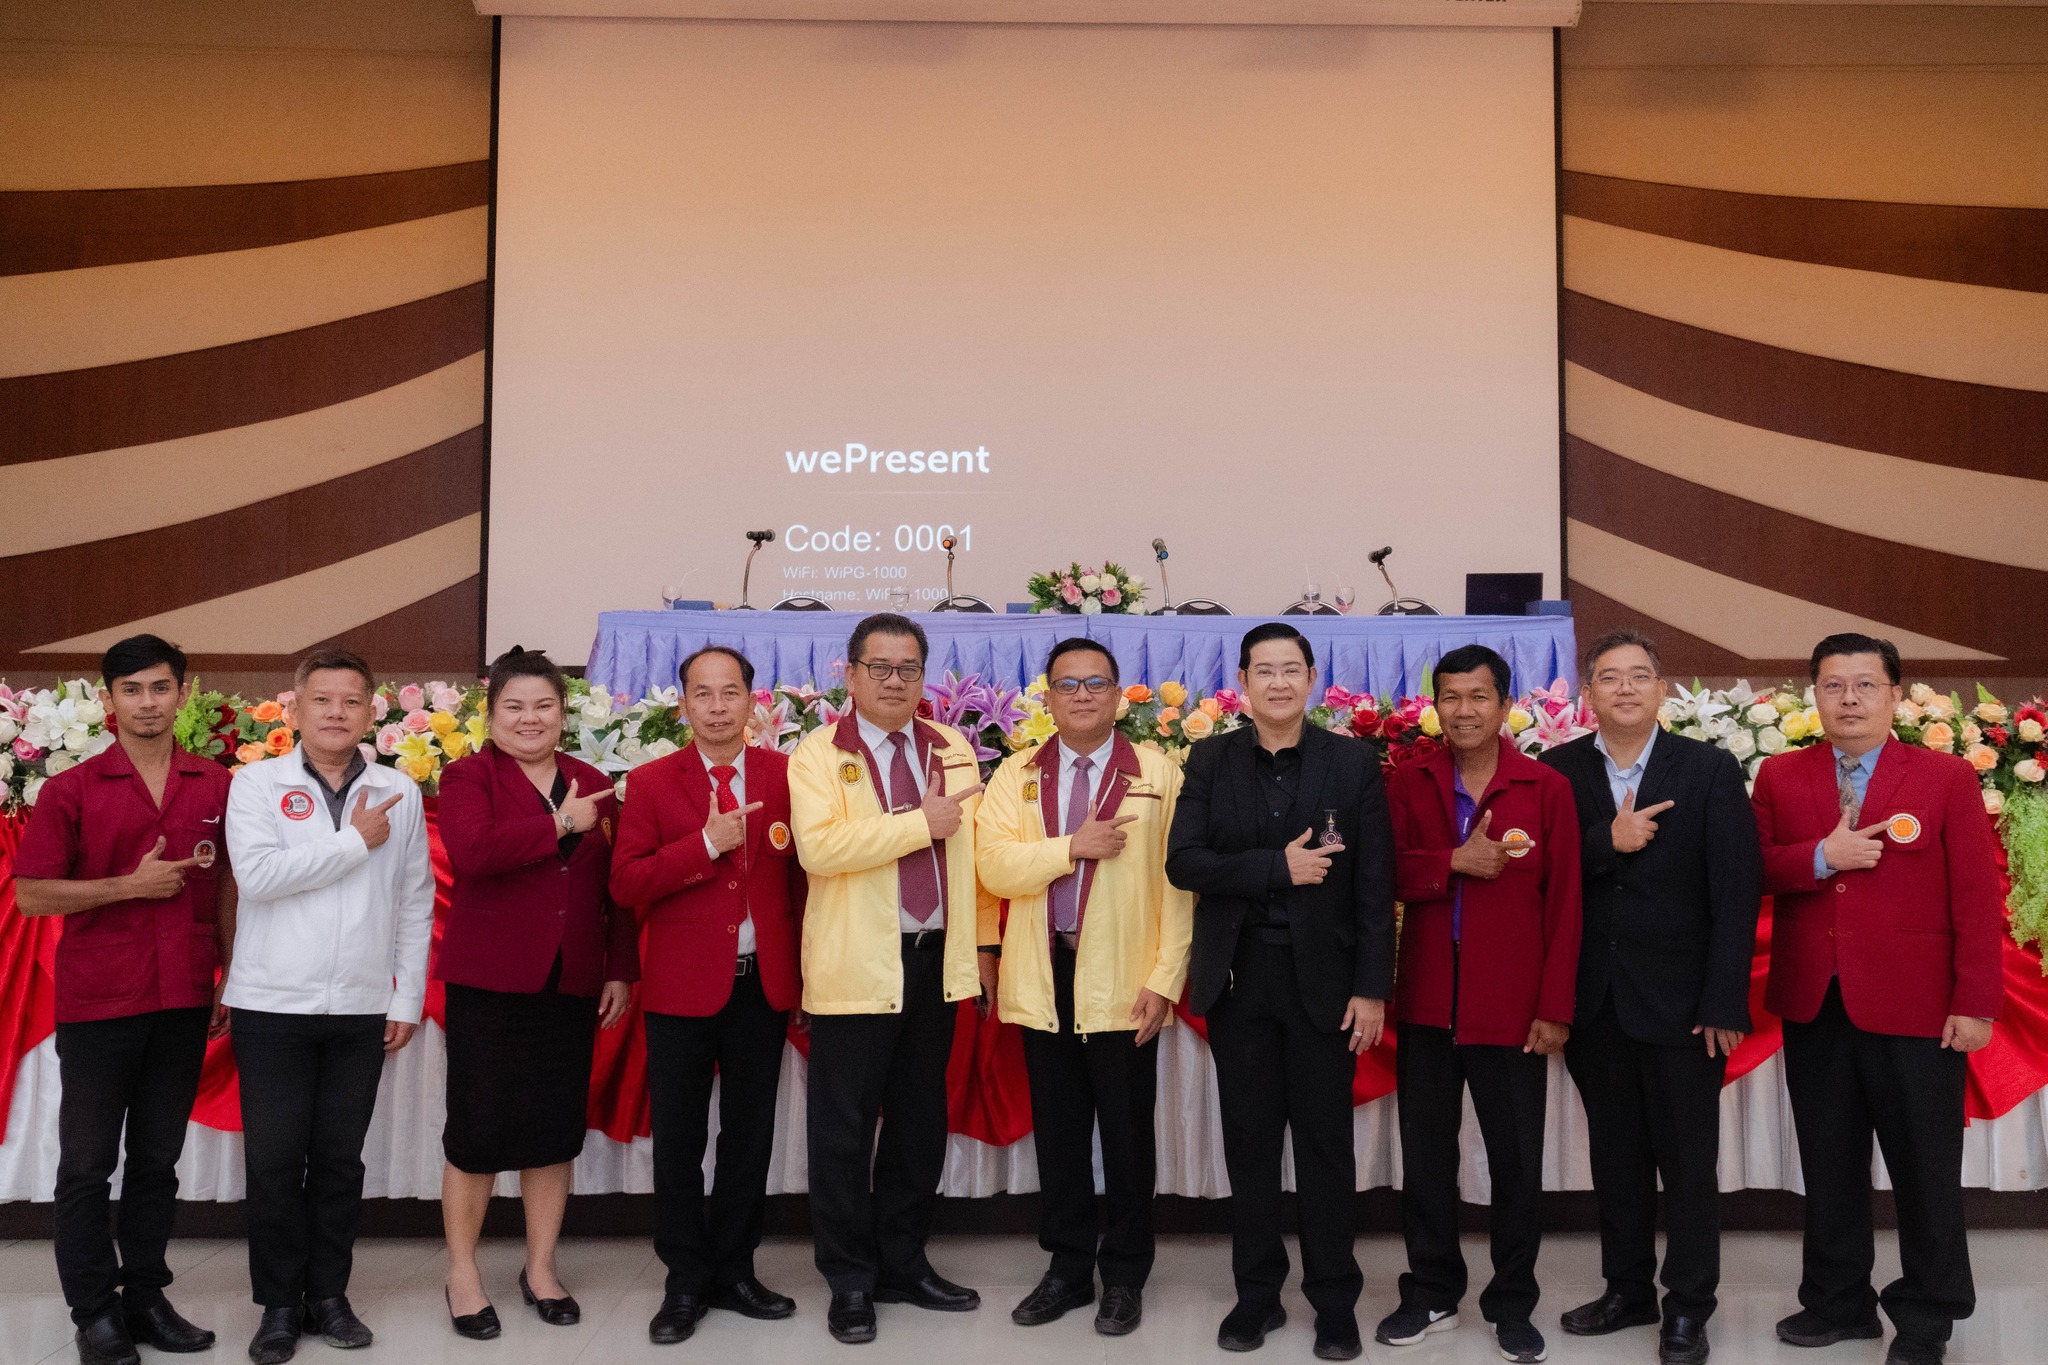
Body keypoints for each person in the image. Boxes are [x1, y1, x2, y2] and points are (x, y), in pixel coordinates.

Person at [1753, 633, 2003, 1365]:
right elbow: (1757, 866)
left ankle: (1927, 1318)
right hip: (1815, 1001)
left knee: (1925, 1169)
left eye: (1866, 684)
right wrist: (1825, 855)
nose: (1850, 698)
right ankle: (1837, 1301)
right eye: (1834, 686)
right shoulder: (1780, 775)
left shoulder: (1945, 776)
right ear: (1815, 696)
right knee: (1828, 1163)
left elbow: (1977, 901)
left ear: (1896, 694)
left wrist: (1976, 1001)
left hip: (1918, 1007)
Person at [1165, 621, 1395, 1362]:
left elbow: (1372, 885)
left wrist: (1372, 989)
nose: (1277, 682)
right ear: (1242, 680)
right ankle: (1256, 1296)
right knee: (1252, 1144)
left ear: (1312, 677)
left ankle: (1335, 1302)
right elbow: (1185, 862)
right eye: (1263, 669)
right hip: (1240, 981)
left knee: (1327, 1147)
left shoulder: (1353, 761)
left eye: (1291, 668)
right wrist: (1275, 868)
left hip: (1326, 985)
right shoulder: (1209, 758)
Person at [1539, 628, 1761, 1365]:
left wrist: (1725, 998)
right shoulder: (1556, 770)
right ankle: (1626, 1287)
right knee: (1617, 1157)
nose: (1626, 688)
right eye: (1610, 677)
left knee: (1689, 1163)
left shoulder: (1707, 768)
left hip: (1685, 1005)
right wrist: (1609, 838)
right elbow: (1545, 876)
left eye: (1640, 676)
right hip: (1594, 1000)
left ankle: (1688, 1306)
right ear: (1588, 693)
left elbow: (1737, 891)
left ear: (1662, 689)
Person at [15, 636, 235, 1365]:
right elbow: (33, 892)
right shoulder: (70, 790)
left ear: (183, 692)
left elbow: (228, 884)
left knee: (156, 1160)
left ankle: (144, 1296)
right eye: (133, 689)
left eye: (161, 687)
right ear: (109, 697)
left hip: (182, 994)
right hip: (100, 1001)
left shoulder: (215, 782)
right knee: (85, 1163)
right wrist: (126, 886)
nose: (148, 702)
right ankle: (93, 1311)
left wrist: (228, 971)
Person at [221, 649, 435, 1365]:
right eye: (322, 700)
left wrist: (403, 994)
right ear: (295, 710)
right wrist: (352, 842)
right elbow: (258, 877)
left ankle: (331, 1295)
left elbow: (414, 899)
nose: (337, 712)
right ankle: (280, 1304)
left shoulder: (396, 789)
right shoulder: (256, 784)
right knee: (277, 1161)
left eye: (352, 701)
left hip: (362, 1004)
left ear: (373, 711)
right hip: (271, 1003)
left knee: (341, 1161)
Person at [977, 638, 1195, 1337]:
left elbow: (1180, 889)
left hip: (1126, 977)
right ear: (1048, 696)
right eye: (1067, 684)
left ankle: (1125, 1273)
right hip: (1046, 974)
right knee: (1061, 1133)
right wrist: (1069, 846)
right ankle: (1069, 1267)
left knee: (1128, 1136)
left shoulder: (1159, 772)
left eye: (1095, 682)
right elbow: (995, 866)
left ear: (1118, 692)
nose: (1081, 695)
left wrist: (1163, 981)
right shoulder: (1017, 773)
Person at [787, 612, 992, 1344]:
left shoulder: (954, 747)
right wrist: (918, 823)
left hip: (935, 960)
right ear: (849, 675)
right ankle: (849, 1278)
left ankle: (904, 1260)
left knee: (918, 1123)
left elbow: (973, 852)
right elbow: (821, 848)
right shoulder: (815, 754)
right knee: (842, 1130)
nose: (895, 680)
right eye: (880, 667)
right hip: (854, 963)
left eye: (909, 667)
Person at [1379, 643, 1581, 1365]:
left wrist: (1556, 1005)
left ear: (1505, 703)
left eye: (1479, 696)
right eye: (1451, 696)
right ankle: (1430, 1287)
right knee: (1426, 1156)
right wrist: (1451, 863)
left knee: (1516, 1160)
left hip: (1513, 1006)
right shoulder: (1408, 780)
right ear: (1437, 704)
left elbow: (1567, 907)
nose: (1464, 709)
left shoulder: (1545, 786)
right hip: (1430, 1001)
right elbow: (1380, 873)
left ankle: (1513, 1300)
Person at [433, 648, 637, 1340]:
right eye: (514, 707)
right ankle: (464, 1274)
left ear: (563, 713)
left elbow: (615, 888)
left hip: (571, 979)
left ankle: (541, 1268)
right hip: (490, 979)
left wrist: (619, 967)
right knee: (477, 1132)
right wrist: (556, 824)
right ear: (491, 716)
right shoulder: (467, 776)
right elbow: (474, 852)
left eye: (543, 706)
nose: (530, 718)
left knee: (553, 1131)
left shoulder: (592, 780)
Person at [610, 645, 807, 1344]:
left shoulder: (790, 776)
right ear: (683, 703)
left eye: (731, 692)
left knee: (749, 1137)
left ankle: (736, 1269)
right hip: (681, 988)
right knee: (681, 1141)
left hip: (766, 985)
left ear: (754, 701)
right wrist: (703, 843)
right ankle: (684, 1278)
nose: (718, 706)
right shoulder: (654, 781)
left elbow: (807, 882)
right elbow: (626, 882)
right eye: (703, 693)